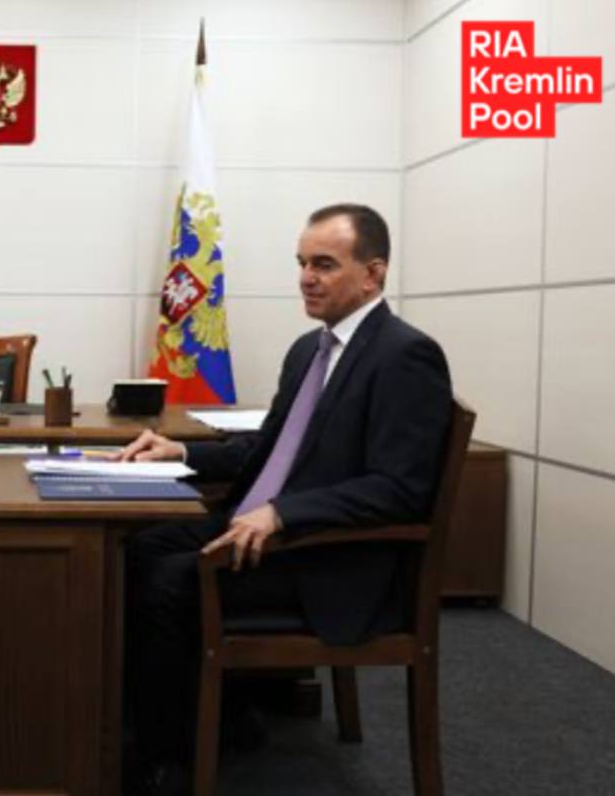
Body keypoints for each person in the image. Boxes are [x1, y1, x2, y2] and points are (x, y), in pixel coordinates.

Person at [121, 204, 453, 795]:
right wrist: (182, 452)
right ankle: (210, 717)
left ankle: (170, 759)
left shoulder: (406, 355)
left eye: (324, 265)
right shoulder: (308, 350)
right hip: (264, 530)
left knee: (170, 581)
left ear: (373, 274)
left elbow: (400, 489)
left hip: (328, 557)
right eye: (302, 263)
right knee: (136, 547)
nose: (306, 278)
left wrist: (284, 512)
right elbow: (267, 449)